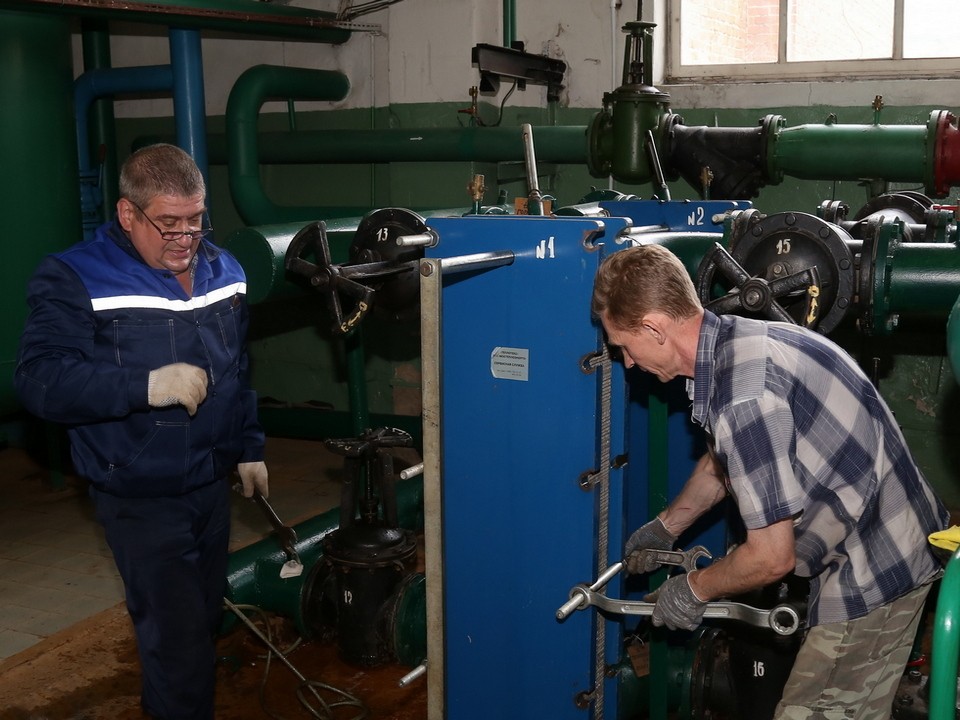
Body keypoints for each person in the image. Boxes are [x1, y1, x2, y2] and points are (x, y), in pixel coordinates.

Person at [591, 243, 948, 720]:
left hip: (877, 568)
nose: (628, 363)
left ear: (654, 327)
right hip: (885, 532)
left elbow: (771, 556)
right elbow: (726, 463)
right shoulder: (736, 343)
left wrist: (693, 589)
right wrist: (667, 528)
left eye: (623, 346)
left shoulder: (744, 397)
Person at [15, 143, 269, 720]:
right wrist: (143, 386)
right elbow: (40, 379)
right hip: (138, 493)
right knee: (178, 650)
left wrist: (249, 446)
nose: (185, 239)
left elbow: (238, 369)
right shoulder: (76, 276)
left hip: (210, 484)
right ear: (128, 214)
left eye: (196, 221)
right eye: (169, 224)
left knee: (201, 624)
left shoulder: (224, 269)